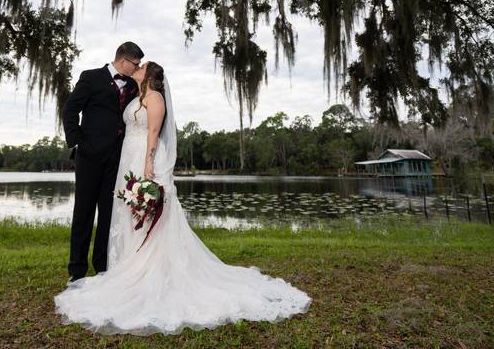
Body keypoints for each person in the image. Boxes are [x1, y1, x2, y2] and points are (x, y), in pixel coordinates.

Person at [54, 62, 311, 335]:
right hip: (123, 159)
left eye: (142, 67)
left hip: (144, 159)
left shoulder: (155, 98)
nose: (137, 69)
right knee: (124, 214)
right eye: (136, 64)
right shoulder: (133, 93)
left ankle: (146, 271)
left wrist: (149, 163)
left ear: (150, 76)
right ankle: (117, 266)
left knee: (147, 217)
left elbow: (153, 132)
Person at [62, 41, 143, 282]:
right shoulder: (90, 77)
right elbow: (70, 110)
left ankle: (102, 266)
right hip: (89, 157)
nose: (136, 68)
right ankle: (76, 271)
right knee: (83, 213)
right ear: (123, 60)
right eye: (134, 64)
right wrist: (77, 141)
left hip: (117, 159)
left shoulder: (131, 84)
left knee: (109, 214)